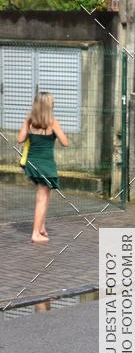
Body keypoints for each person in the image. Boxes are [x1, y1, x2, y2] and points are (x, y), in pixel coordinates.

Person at [17, 92, 68, 244]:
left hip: (32, 163)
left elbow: (19, 139)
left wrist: (28, 128)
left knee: (46, 196)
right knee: (42, 198)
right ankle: (35, 234)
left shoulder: (29, 121)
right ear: (49, 106)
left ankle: (41, 228)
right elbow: (65, 142)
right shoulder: (52, 122)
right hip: (46, 164)